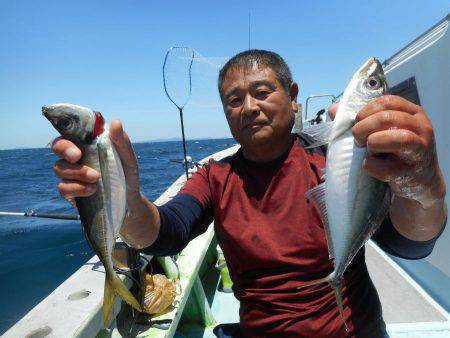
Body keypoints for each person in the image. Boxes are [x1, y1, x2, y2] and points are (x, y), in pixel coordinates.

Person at [51, 50, 446, 337]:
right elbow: (163, 233)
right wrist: (126, 200)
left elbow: (408, 244)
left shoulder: (337, 156)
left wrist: (425, 189)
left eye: (261, 91)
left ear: (293, 96)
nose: (249, 107)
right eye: (233, 100)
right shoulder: (216, 176)